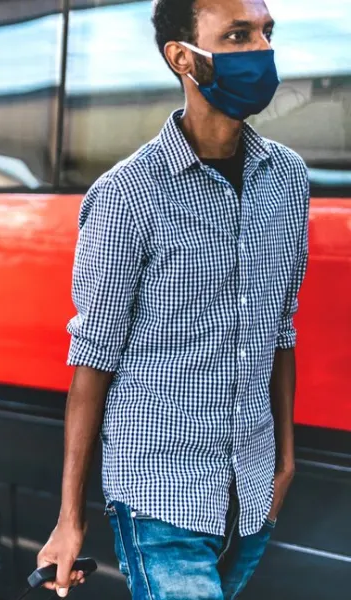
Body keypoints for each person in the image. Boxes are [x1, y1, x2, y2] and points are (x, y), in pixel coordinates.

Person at [36, 1, 308, 598]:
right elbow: (92, 361)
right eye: (237, 36)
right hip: (160, 490)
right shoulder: (125, 196)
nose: (260, 51)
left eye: (265, 33)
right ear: (183, 58)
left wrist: (285, 461)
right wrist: (70, 518)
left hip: (253, 487)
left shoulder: (289, 180)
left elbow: (281, 326)